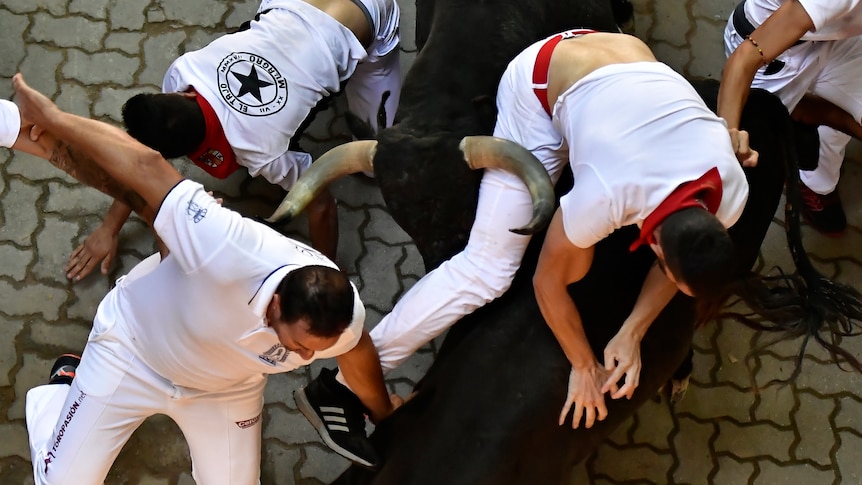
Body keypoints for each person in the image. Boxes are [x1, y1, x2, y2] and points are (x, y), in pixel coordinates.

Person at [294, 30, 750, 463]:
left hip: (625, 66)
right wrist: (584, 364)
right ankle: (339, 389)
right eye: (669, 272)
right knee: (488, 270)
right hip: (542, 84)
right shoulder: (608, 196)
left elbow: (678, 268)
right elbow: (547, 283)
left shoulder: (731, 188)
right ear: (657, 246)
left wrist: (633, 331)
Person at [12, 73, 397, 483]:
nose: (304, 359)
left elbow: (356, 354)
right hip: (134, 352)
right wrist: (51, 119)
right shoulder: (224, 243)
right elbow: (144, 165)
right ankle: (56, 398)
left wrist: (387, 417)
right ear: (277, 304)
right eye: (301, 345)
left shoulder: (336, 315)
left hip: (225, 390)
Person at [65, 0, 401, 281]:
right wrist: (110, 226)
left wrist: (328, 272)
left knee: (373, 163)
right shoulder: (185, 71)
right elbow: (143, 153)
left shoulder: (264, 152)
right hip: (291, 5)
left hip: (370, 8)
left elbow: (323, 206)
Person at [719, 0, 862, 235]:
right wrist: (728, 136)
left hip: (834, 39)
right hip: (772, 56)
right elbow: (745, 59)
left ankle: (808, 115)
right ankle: (799, 117)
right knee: (760, 155)